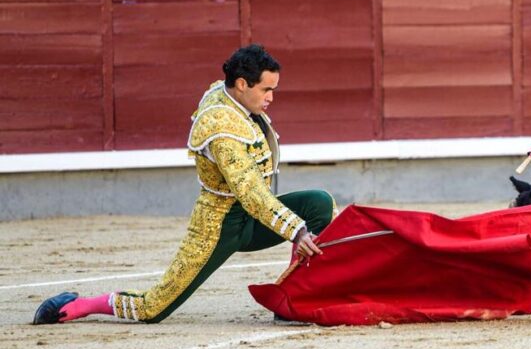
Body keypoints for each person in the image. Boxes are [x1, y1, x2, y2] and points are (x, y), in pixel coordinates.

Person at [32, 45, 337, 325]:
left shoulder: (228, 92)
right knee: (153, 309)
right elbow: (250, 191)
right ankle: (83, 305)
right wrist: (295, 230)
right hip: (219, 226)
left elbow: (255, 197)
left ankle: (292, 299)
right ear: (243, 84)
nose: (271, 97)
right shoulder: (221, 127)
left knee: (319, 204)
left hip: (252, 217)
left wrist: (296, 228)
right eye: (267, 89)